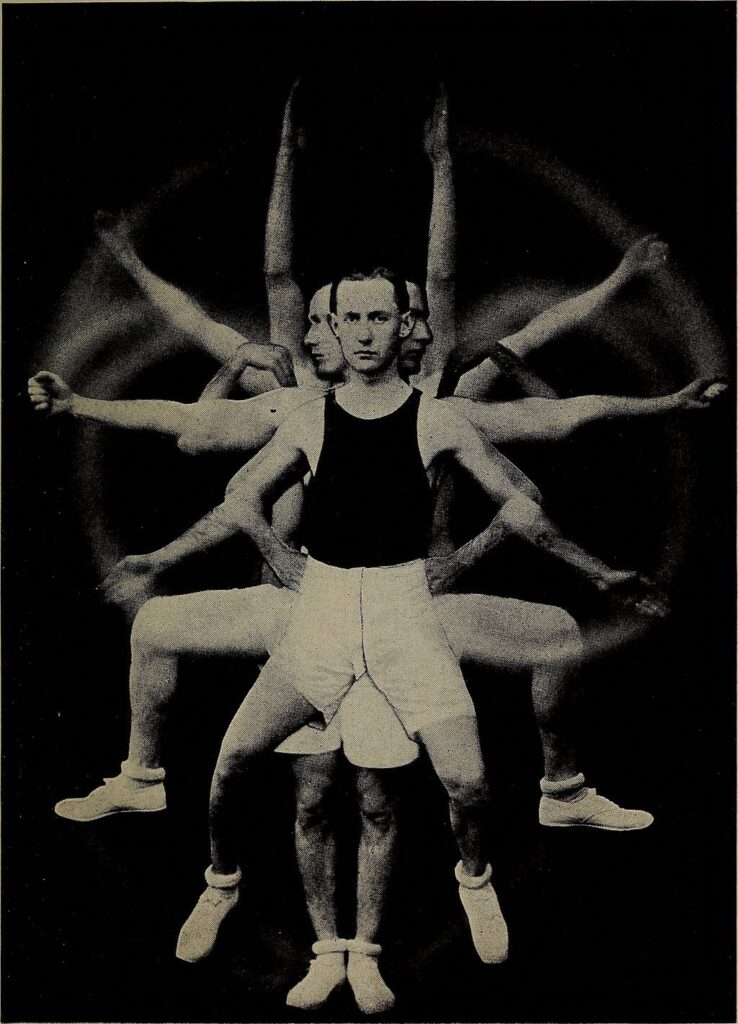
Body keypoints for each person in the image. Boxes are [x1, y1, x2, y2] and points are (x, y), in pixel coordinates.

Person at [166, 269, 667, 996]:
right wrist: (278, 556)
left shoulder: (438, 419)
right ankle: (221, 884)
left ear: (405, 326)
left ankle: (473, 882)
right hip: (326, 609)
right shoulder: (310, 417)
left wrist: (594, 573)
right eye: (353, 320)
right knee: (230, 765)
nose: (366, 332)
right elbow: (240, 493)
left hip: (404, 607)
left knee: (467, 783)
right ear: (333, 330)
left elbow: (523, 503)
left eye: (380, 317)